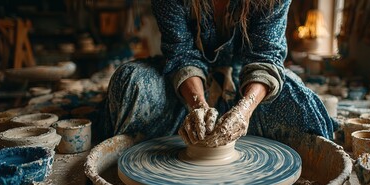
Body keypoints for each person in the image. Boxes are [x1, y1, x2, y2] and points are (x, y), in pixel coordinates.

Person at [99, 0, 335, 146]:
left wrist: (244, 111)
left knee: (304, 105)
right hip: (184, 81)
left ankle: (238, 124)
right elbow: (181, 55)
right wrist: (197, 106)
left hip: (247, 79)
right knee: (129, 82)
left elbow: (265, 57)